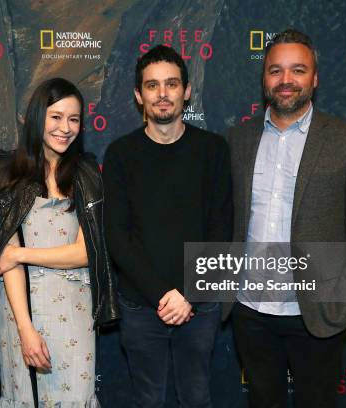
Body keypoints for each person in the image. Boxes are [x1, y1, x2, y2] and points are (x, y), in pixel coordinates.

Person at [226, 29, 346, 408]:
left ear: (314, 78)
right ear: (263, 78)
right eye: (275, 71)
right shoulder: (237, 139)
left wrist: (344, 299)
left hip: (315, 313)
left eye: (298, 70)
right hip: (250, 310)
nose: (286, 80)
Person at [103, 45, 233, 407]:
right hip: (142, 306)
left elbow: (222, 229)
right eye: (152, 86)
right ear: (138, 95)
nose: (162, 94)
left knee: (197, 397)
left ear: (187, 91)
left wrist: (189, 293)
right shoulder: (120, 155)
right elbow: (118, 235)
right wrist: (164, 295)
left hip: (200, 303)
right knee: (148, 400)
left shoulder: (213, 150)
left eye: (171, 84)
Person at [0, 77, 118, 407]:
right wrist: (26, 330)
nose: (65, 128)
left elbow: (84, 252)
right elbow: (7, 264)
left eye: (74, 119)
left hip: (74, 305)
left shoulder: (86, 174)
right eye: (56, 117)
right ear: (36, 118)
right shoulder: (5, 171)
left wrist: (21, 255)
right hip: (19, 308)